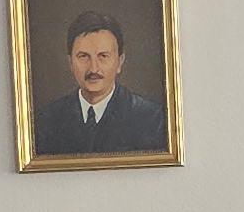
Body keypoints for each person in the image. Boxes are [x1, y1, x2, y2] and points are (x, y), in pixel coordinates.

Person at [28, 10, 167, 160]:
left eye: (103, 56)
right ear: (70, 63)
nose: (94, 68)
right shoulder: (47, 120)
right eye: (83, 56)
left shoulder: (151, 119)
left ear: (119, 62)